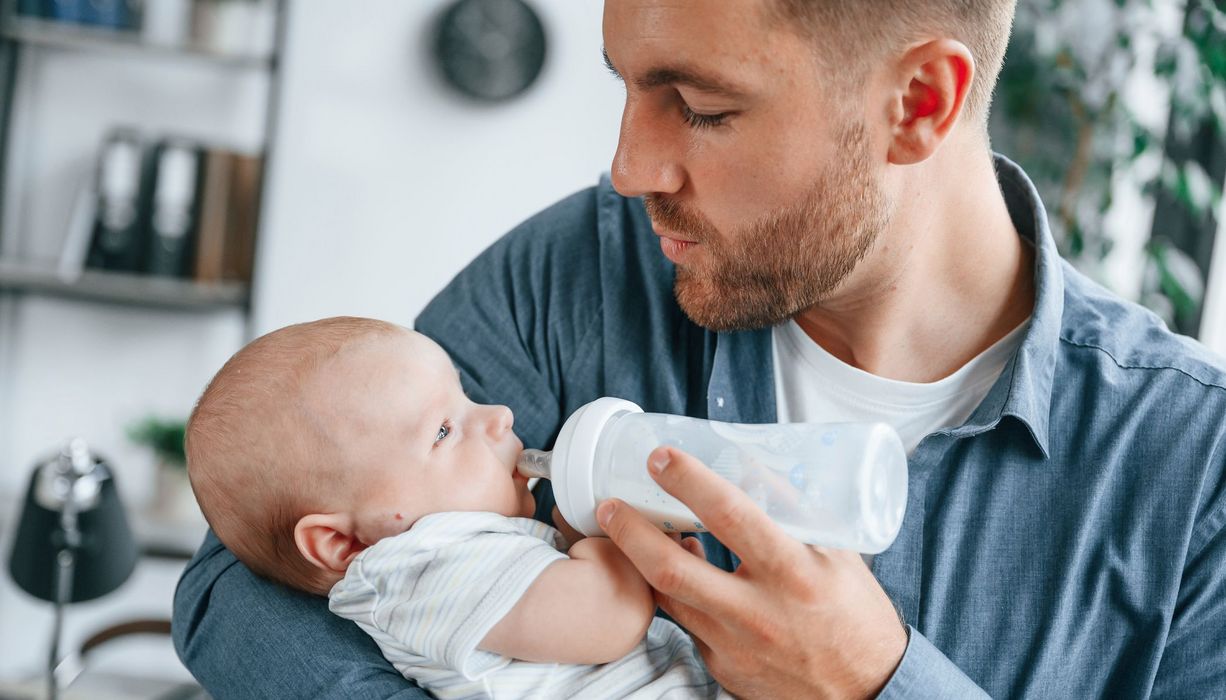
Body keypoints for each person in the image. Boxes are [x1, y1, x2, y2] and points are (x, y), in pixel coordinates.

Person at [174, 1, 1226, 697]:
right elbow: (245, 582)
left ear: (916, 106)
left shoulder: (1189, 471)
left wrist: (875, 679)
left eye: (699, 108)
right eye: (625, 86)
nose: (629, 168)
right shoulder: (580, 272)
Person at [184, 317, 722, 699]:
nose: (501, 416)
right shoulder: (416, 570)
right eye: (443, 430)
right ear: (344, 544)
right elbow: (605, 620)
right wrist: (609, 528)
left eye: (464, 395)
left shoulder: (452, 552)